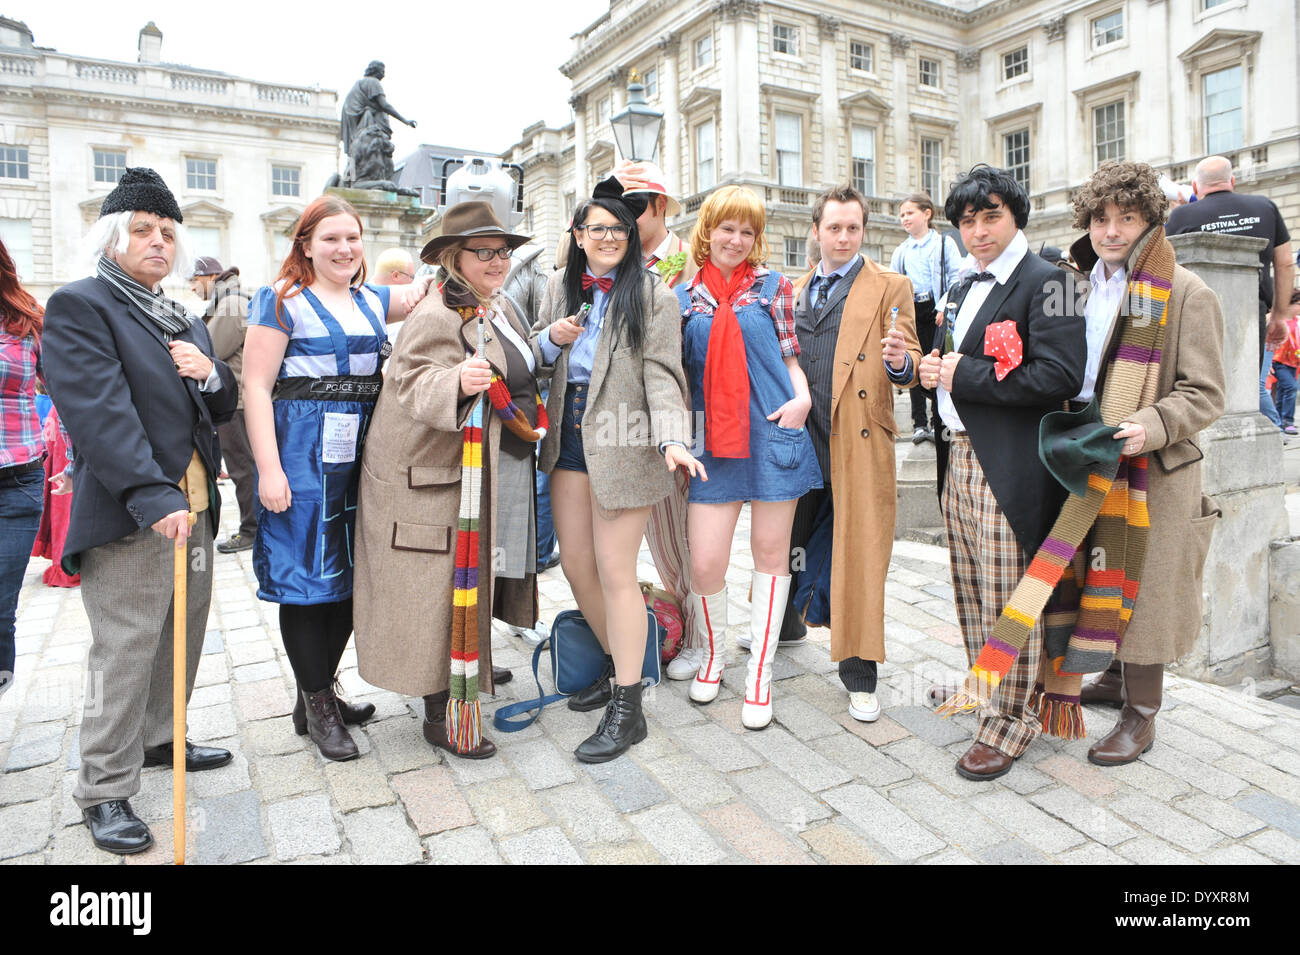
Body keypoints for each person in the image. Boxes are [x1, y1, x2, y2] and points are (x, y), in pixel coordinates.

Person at [42, 168, 238, 854]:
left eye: (167, 232)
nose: (158, 241)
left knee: (180, 633)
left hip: (196, 505)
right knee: (123, 647)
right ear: (112, 234)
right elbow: (99, 413)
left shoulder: (180, 313)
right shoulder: (82, 305)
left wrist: (209, 372)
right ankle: (102, 786)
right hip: (134, 508)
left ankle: (160, 738)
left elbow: (221, 405)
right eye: (143, 229)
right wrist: (153, 495)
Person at [1030, 161, 1224, 765]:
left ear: (1150, 222)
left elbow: (1207, 392)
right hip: (1086, 448)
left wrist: (1152, 426)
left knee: (1145, 591)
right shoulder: (1072, 285)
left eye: (1127, 218)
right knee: (1094, 574)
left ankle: (1142, 713)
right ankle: (1111, 679)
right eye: (1100, 218)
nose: (1111, 231)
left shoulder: (1189, 290)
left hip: (1152, 464)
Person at [242, 194, 429, 762]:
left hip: (362, 456)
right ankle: (320, 703)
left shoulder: (374, 299)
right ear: (305, 245)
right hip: (299, 454)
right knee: (305, 580)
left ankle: (315, 693)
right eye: (330, 239)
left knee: (353, 574)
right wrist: (270, 471)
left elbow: (438, 286)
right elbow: (254, 387)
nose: (344, 248)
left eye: (352, 237)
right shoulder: (280, 302)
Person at [353, 201, 540, 760]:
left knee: (463, 582)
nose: (497, 261)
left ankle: (468, 665)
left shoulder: (486, 304)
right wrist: (457, 380)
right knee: (438, 590)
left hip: (460, 468)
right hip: (426, 476)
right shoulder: (437, 312)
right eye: (484, 252)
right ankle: (443, 712)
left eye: (503, 251)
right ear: (453, 257)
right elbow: (412, 380)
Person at [917, 164, 1085, 780]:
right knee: (968, 586)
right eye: (967, 221)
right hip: (956, 453)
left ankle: (1012, 721)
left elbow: (1060, 376)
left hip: (1011, 464)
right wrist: (918, 369)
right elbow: (945, 361)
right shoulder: (962, 285)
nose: (978, 231)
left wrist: (958, 374)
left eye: (991, 217)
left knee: (1008, 593)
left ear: (1016, 216)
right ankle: (987, 688)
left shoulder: (1058, 281)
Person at [535, 176, 699, 762]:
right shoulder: (559, 286)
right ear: (578, 236)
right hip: (567, 434)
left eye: (618, 229)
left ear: (632, 236)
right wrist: (550, 339)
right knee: (577, 566)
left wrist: (674, 439)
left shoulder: (654, 296)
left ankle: (629, 708)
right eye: (596, 228)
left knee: (615, 570)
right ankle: (615, 667)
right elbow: (539, 356)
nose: (608, 237)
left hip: (625, 438)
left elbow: (663, 374)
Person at [678, 185, 822, 730]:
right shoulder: (684, 295)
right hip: (712, 441)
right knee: (706, 562)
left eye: (747, 231)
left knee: (770, 554)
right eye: (727, 228)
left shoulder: (774, 287)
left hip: (771, 431)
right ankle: (715, 655)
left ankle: (759, 672)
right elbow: (674, 376)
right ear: (708, 231)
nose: (736, 240)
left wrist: (802, 397)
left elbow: (789, 357)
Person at [781, 184, 922, 723]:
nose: (843, 237)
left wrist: (898, 363)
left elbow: (906, 361)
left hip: (857, 438)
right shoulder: (790, 290)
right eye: (833, 227)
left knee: (858, 555)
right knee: (788, 541)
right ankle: (784, 626)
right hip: (801, 437)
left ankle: (860, 675)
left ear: (864, 231)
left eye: (853, 228)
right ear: (815, 231)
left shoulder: (891, 286)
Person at [612, 161, 704, 683]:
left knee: (693, 535)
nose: (622, 217)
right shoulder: (613, 258)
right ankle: (672, 624)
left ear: (660, 206)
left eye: (633, 205)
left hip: (683, 415)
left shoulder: (692, 260)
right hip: (624, 423)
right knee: (655, 535)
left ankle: (699, 635)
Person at [1165, 156, 1293, 427]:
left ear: (1196, 188)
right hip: (1251, 312)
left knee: (1200, 382)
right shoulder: (1265, 207)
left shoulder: (1181, 215)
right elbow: (1284, 263)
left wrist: (1179, 214)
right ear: (1232, 181)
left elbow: (1165, 266)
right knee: (1244, 388)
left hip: (1195, 314)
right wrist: (1280, 315)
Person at [0, 237, 48, 696]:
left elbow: (72, 391)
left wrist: (74, 459)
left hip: (17, 481)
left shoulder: (25, 321)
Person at [190, 256, 256, 554]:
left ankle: (252, 530)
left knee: (242, 468)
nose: (192, 288)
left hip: (238, 401)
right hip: (241, 397)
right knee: (245, 466)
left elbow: (210, 351)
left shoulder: (230, 305)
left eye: (194, 280)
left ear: (210, 277)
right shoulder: (231, 300)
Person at [890, 192, 961, 445]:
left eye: (909, 213)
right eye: (902, 215)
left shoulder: (944, 244)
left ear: (927, 214)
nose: (904, 219)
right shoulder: (901, 251)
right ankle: (919, 423)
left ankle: (938, 420)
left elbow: (956, 277)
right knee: (914, 363)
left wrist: (944, 305)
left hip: (937, 310)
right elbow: (895, 284)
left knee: (937, 363)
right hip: (912, 311)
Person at [1269, 289, 1300, 436]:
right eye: (1298, 304)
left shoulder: (1297, 321)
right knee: (1291, 387)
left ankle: (1281, 419)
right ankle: (1287, 420)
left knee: (1283, 391)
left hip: (1294, 362)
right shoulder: (1280, 320)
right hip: (1279, 361)